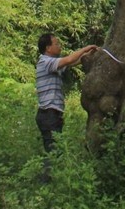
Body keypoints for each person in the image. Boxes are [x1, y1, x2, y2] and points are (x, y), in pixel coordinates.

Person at [35, 32, 97, 164]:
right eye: (57, 44)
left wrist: (91, 54)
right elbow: (68, 60)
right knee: (53, 153)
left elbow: (74, 62)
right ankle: (45, 182)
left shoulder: (53, 65)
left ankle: (50, 180)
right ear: (48, 48)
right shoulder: (45, 62)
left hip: (52, 114)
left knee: (56, 151)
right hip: (48, 114)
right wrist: (85, 48)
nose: (60, 47)